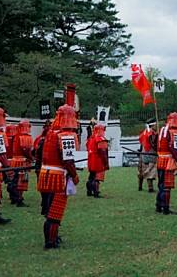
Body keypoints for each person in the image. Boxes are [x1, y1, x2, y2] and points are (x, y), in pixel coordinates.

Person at [37, 105, 80, 249]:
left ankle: (53, 237)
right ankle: (50, 241)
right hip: (57, 176)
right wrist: (74, 175)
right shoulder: (66, 135)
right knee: (55, 211)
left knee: (50, 208)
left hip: (45, 174)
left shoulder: (50, 133)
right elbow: (67, 160)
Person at [156, 112, 177, 215]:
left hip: (160, 160)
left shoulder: (162, 130)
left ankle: (158, 206)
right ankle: (166, 208)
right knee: (166, 186)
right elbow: (173, 147)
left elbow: (156, 144)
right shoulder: (174, 132)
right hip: (168, 161)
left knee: (161, 185)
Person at [10, 119, 33, 207]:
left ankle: (13, 198)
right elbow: (26, 150)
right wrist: (31, 158)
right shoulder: (25, 137)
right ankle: (19, 199)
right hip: (22, 161)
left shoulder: (16, 136)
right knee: (22, 181)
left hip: (14, 160)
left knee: (14, 180)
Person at [86, 123, 109, 198]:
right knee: (97, 177)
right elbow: (103, 152)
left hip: (90, 159)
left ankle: (89, 191)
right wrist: (105, 163)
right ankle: (96, 192)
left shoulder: (91, 138)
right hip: (98, 160)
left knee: (91, 176)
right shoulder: (100, 139)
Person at [137, 123, 157, 192]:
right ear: (152, 125)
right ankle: (150, 188)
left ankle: (140, 186)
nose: (156, 126)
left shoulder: (145, 132)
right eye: (155, 125)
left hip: (143, 152)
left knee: (142, 170)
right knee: (150, 170)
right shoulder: (151, 133)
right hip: (150, 152)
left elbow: (141, 140)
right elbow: (153, 143)